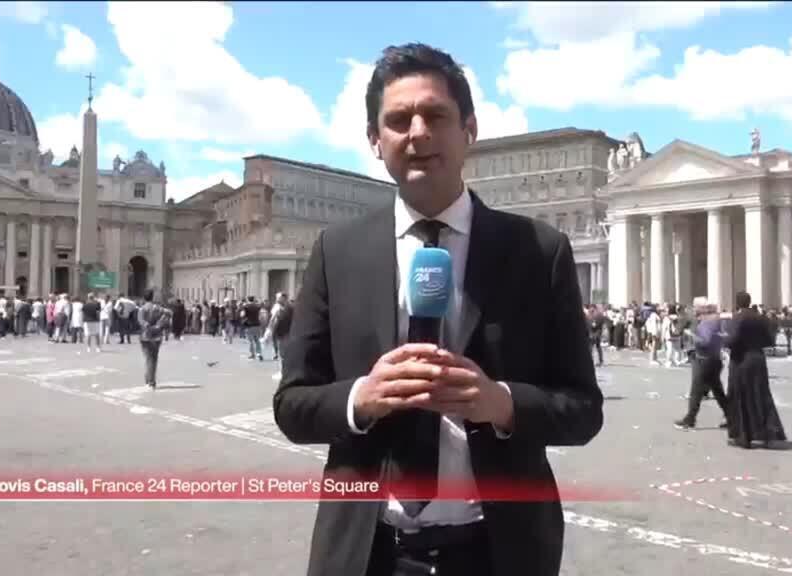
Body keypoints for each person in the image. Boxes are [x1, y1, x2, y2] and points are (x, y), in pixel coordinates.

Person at [272, 43, 603, 576]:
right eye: (398, 120)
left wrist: (501, 404)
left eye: (436, 115)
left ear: (469, 130)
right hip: (366, 553)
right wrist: (362, 397)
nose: (417, 132)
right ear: (375, 142)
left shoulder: (539, 251)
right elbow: (292, 405)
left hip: (498, 552)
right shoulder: (338, 250)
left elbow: (584, 410)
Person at [724, 291, 786, 449]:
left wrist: (724, 340)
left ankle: (744, 436)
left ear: (737, 303)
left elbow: (732, 340)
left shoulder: (738, 318)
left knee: (741, 396)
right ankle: (768, 432)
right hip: (758, 358)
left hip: (741, 360)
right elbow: (770, 340)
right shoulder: (761, 318)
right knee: (761, 395)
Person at [675, 299, 730, 430]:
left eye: (696, 307)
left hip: (704, 360)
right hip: (715, 360)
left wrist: (691, 334)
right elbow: (723, 338)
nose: (695, 309)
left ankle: (690, 420)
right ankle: (732, 416)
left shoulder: (706, 323)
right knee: (718, 391)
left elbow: (704, 342)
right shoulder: (718, 322)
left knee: (696, 391)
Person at [137, 291, 171, 389]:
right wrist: (159, 324)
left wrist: (147, 325)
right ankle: (150, 381)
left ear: (144, 298)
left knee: (148, 359)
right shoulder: (158, 308)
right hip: (156, 336)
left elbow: (140, 321)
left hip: (145, 336)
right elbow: (169, 313)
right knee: (153, 359)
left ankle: (149, 380)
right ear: (152, 297)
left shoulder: (142, 309)